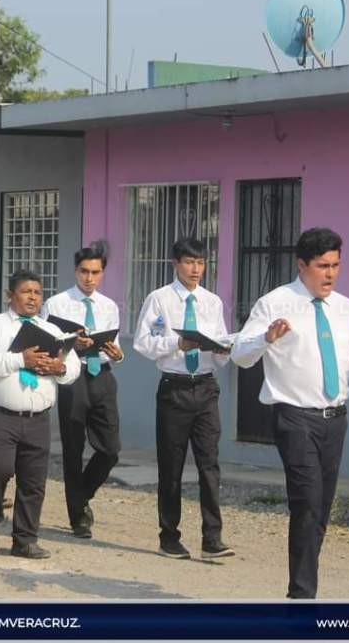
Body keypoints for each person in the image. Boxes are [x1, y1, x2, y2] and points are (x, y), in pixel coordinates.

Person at [231, 227, 349, 599]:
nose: (331, 274)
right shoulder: (275, 303)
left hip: (335, 420)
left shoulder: (345, 308)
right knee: (307, 501)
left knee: (321, 507)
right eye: (323, 266)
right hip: (294, 419)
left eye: (336, 265)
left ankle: (303, 586)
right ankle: (302, 596)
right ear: (302, 264)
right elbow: (240, 355)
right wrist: (267, 338)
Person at [133, 238, 233, 560]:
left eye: (201, 263)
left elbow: (219, 349)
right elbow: (143, 343)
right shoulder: (159, 299)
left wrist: (222, 351)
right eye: (189, 262)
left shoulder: (212, 302)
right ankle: (169, 537)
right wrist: (178, 344)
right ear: (176, 263)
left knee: (209, 465)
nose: (196, 269)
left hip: (205, 388)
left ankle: (212, 538)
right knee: (172, 466)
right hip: (174, 388)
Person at [0, 270, 80, 559]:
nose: (33, 297)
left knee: (33, 481)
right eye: (26, 292)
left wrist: (62, 369)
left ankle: (25, 540)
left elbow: (73, 366)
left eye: (37, 292)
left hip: (38, 417)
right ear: (11, 295)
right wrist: (21, 359)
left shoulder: (52, 331)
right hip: (0, 414)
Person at [41, 247, 125, 539]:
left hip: (101, 376)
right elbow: (48, 345)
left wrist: (116, 353)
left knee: (111, 449)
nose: (90, 278)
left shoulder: (109, 305)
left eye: (96, 272)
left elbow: (112, 345)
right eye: (84, 272)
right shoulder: (57, 304)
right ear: (75, 271)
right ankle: (77, 516)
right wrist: (70, 346)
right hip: (72, 378)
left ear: (102, 273)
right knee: (73, 449)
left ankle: (82, 495)